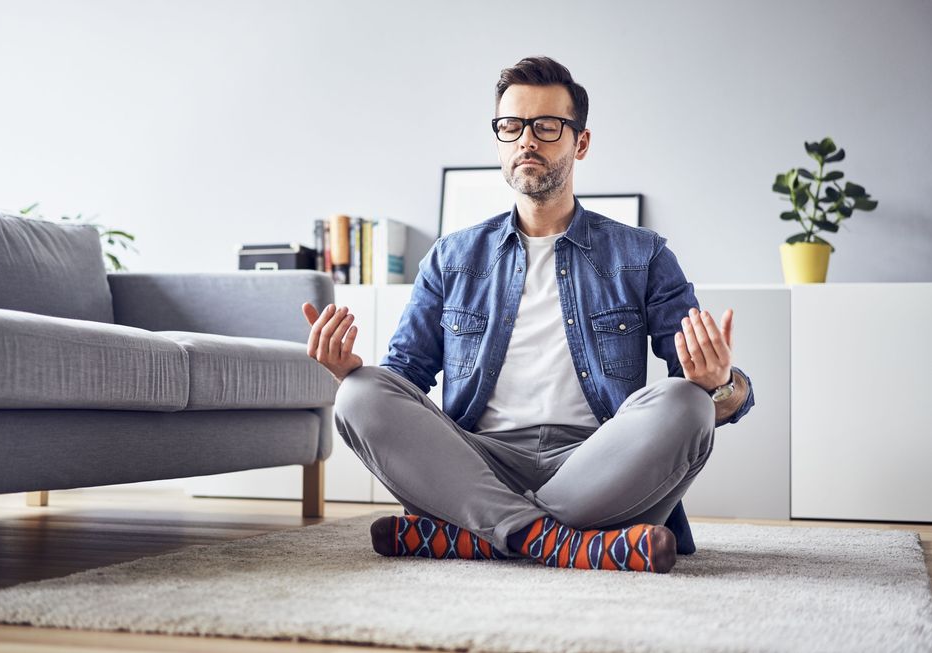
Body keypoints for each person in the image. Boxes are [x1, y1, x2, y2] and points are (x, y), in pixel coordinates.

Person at [302, 56, 755, 574]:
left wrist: (720, 385)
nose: (526, 141)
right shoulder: (452, 258)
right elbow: (403, 380)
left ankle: (478, 536)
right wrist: (347, 371)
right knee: (359, 393)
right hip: (477, 467)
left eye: (546, 126)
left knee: (688, 405)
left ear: (579, 143)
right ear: (498, 138)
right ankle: (564, 543)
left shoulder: (642, 254)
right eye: (511, 126)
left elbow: (707, 396)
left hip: (598, 466)